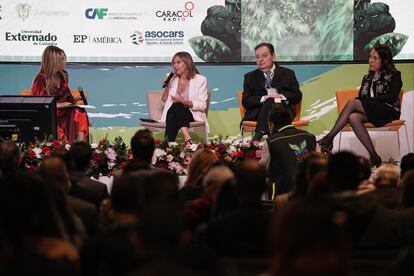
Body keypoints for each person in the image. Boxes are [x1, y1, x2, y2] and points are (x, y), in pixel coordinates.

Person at [318, 44, 402, 167]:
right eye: (370, 57)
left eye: (375, 58)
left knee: (353, 102)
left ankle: (329, 138)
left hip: (388, 110)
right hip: (372, 111)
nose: (370, 61)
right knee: (353, 117)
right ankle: (374, 156)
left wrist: (370, 100)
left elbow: (391, 97)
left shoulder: (395, 75)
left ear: (384, 61)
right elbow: (362, 98)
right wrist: (368, 101)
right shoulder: (367, 78)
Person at [242, 42, 302, 142]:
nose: (260, 60)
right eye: (257, 57)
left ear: (273, 56)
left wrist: (279, 96)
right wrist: (264, 98)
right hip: (258, 113)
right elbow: (246, 101)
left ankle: (258, 136)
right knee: (269, 100)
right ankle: (273, 141)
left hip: (283, 112)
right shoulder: (250, 77)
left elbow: (297, 96)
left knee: (272, 100)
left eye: (264, 56)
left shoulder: (288, 73)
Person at [31, 45, 88, 143]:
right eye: (61, 59)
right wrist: (60, 105)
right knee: (60, 124)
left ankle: (80, 144)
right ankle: (65, 146)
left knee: (79, 111)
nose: (65, 61)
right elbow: (39, 105)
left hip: (65, 112)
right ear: (52, 61)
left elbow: (67, 98)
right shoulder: (40, 79)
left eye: (64, 58)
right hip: (51, 114)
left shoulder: (62, 75)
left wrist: (76, 98)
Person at [260, 104, 316, 196]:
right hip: (310, 193)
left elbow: (261, 170)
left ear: (272, 124)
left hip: (283, 196)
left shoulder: (271, 142)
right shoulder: (310, 136)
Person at [160, 52, 209, 144]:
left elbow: (202, 105)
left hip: (191, 114)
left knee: (177, 106)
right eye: (173, 63)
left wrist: (184, 102)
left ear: (187, 63)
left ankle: (167, 146)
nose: (175, 66)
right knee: (176, 107)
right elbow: (164, 102)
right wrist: (167, 86)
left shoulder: (200, 79)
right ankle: (187, 139)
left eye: (178, 62)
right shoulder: (172, 79)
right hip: (173, 112)